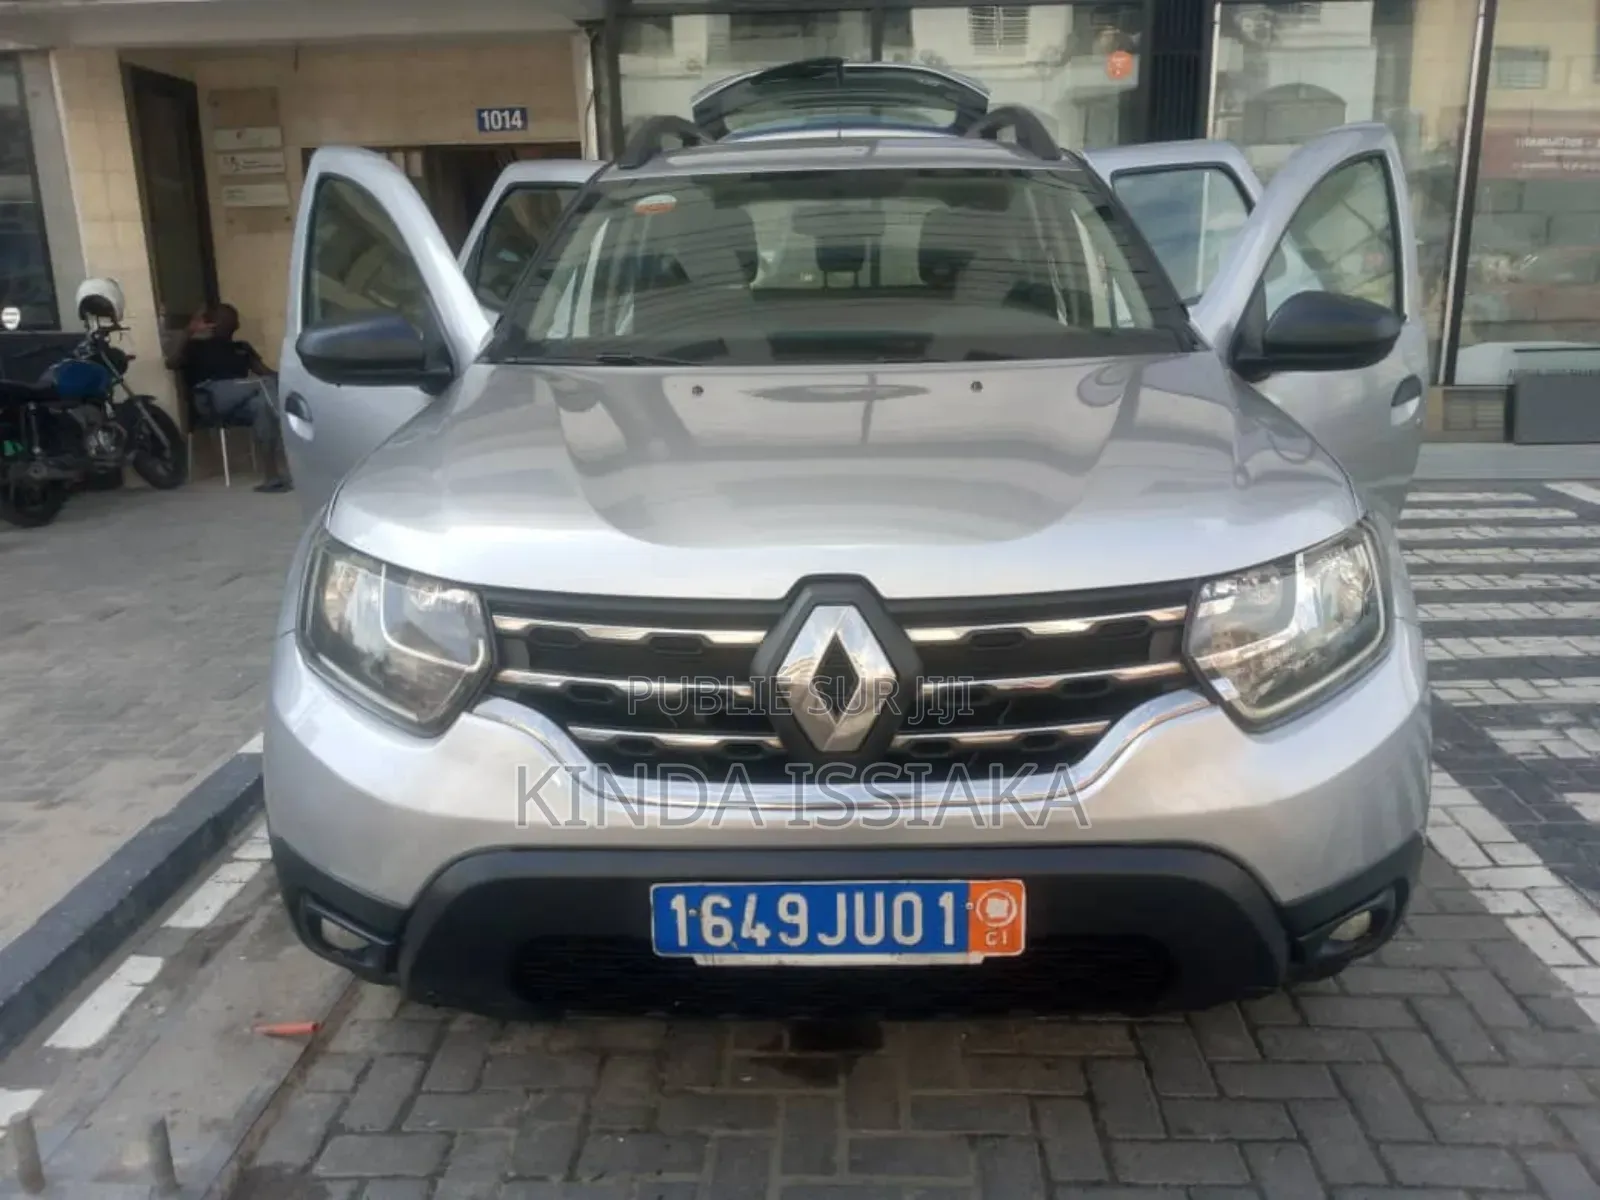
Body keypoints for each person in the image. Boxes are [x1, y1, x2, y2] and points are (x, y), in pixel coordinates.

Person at [166, 303, 292, 493]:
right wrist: (188, 332)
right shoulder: (195, 347)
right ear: (213, 323)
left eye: (234, 319)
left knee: (261, 406)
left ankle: (272, 477)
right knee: (264, 386)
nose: (234, 322)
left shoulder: (242, 347)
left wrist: (296, 379)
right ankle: (285, 422)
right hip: (209, 399)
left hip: (240, 402)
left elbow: (268, 374)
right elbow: (171, 363)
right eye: (228, 318)